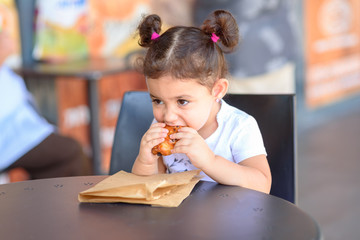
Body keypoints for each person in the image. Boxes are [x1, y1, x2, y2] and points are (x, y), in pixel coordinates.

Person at [131, 10, 271, 193]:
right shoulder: (161, 125)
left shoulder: (239, 127)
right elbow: (146, 187)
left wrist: (210, 161)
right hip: (176, 219)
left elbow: (262, 184)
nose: (168, 116)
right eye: (158, 101)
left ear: (217, 90)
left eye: (182, 101)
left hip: (230, 219)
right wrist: (145, 161)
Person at [0, 27, 91, 181]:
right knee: (71, 152)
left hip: (19, 121)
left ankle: (43, 201)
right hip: (8, 130)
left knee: (59, 141)